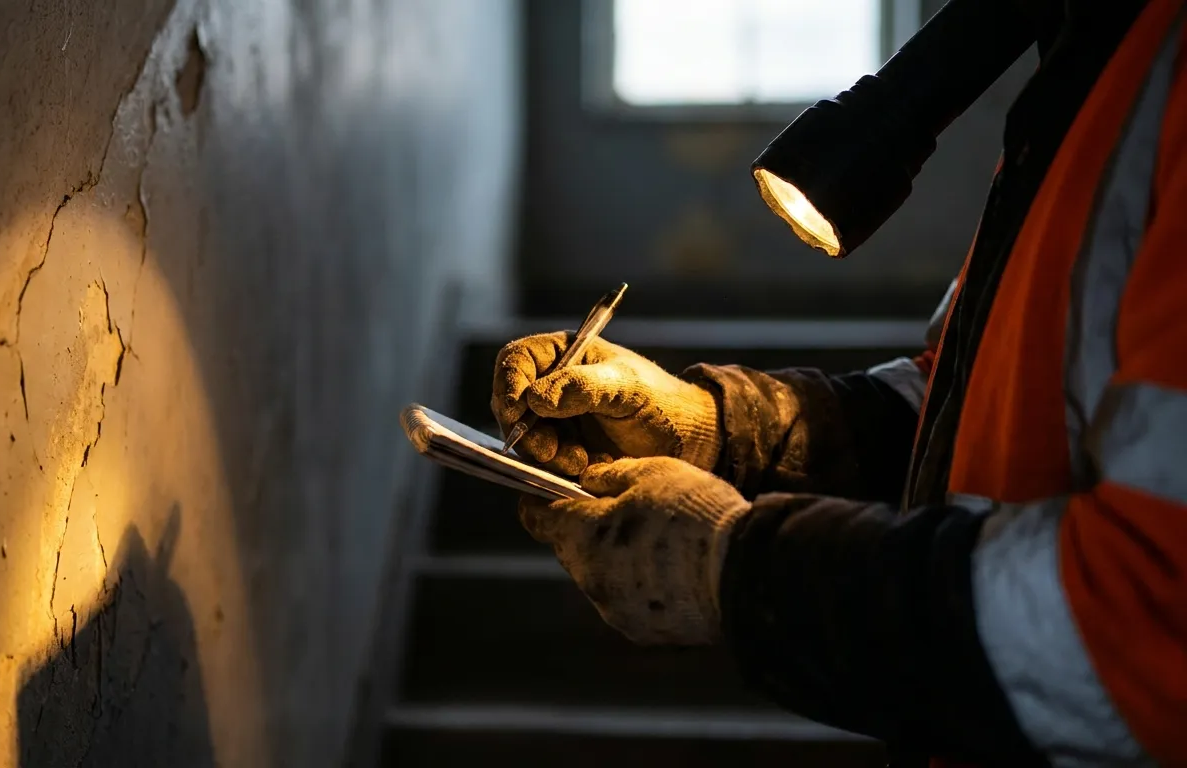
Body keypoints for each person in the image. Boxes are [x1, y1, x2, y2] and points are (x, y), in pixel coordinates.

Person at [492, 0, 1186, 765]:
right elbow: (960, 405)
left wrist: (736, 567)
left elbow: (1148, 623)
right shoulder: (1102, 65)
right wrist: (713, 426)